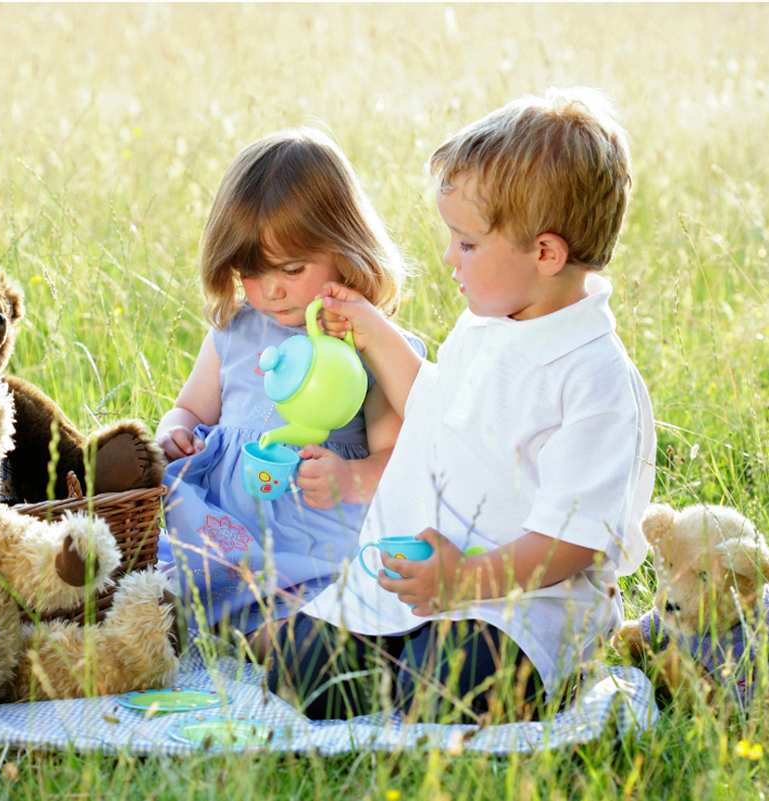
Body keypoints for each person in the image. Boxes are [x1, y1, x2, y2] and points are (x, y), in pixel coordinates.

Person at [267, 87, 657, 722]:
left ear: (546, 253)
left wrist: (463, 583)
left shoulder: (593, 381)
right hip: (412, 589)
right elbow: (434, 411)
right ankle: (395, 659)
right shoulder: (489, 324)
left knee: (445, 688)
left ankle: (434, 676)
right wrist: (371, 330)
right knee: (296, 673)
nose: (449, 258)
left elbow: (574, 543)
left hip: (513, 606)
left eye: (467, 245)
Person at [155, 126, 423, 651]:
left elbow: (400, 456)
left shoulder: (367, 343)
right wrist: (176, 432)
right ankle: (189, 615)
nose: (270, 289)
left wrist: (349, 478)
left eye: (292, 269)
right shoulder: (235, 329)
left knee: (305, 623)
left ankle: (287, 638)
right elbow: (189, 407)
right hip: (223, 533)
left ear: (346, 250)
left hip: (310, 543)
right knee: (169, 572)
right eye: (251, 272)